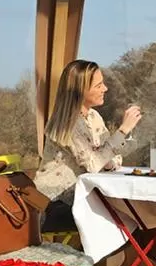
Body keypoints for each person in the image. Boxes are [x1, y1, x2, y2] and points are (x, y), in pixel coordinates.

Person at [33, 59, 142, 233]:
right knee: (121, 216)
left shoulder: (94, 117)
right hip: (54, 203)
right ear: (80, 90)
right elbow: (93, 165)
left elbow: (111, 160)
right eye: (99, 85)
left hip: (81, 196)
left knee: (133, 213)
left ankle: (115, 259)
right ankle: (106, 259)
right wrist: (123, 130)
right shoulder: (68, 123)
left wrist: (108, 155)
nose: (105, 88)